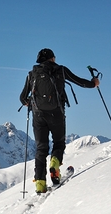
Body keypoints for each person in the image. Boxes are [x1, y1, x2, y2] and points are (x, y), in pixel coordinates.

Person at [19, 48, 99, 193]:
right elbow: (79, 82)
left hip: (38, 116)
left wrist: (31, 103)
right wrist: (94, 83)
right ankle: (55, 166)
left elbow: (22, 97)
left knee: (41, 149)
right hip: (56, 113)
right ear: (52, 59)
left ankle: (40, 185)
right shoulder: (61, 70)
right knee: (59, 143)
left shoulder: (32, 74)